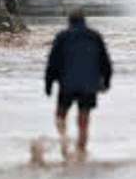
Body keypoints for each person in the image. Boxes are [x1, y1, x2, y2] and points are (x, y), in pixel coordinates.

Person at [45, 9, 112, 163]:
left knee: (60, 114)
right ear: (84, 21)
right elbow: (105, 62)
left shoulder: (62, 37)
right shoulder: (94, 36)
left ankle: (64, 140)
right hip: (89, 85)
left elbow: (53, 62)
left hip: (67, 84)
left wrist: (49, 84)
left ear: (69, 21)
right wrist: (106, 81)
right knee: (84, 117)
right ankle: (81, 151)